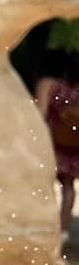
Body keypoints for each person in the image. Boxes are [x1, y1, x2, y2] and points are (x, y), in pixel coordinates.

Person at [34, 69, 79, 239]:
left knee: (44, 185)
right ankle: (61, 232)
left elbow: (41, 113)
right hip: (75, 144)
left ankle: (43, 227)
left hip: (53, 142)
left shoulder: (49, 84)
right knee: (68, 187)